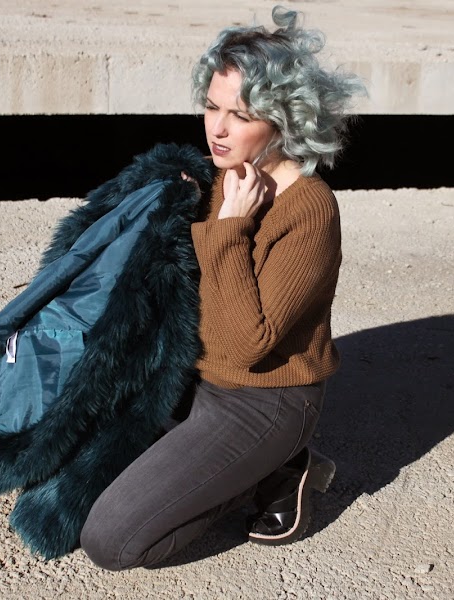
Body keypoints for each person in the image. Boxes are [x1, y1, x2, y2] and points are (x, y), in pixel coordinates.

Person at [80, 5, 365, 570]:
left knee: (112, 541)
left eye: (241, 114)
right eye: (212, 106)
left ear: (284, 119)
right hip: (194, 375)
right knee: (72, 472)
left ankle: (279, 470)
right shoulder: (218, 177)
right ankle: (231, 465)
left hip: (262, 400)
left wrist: (231, 230)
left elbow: (245, 347)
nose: (218, 128)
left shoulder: (309, 209)